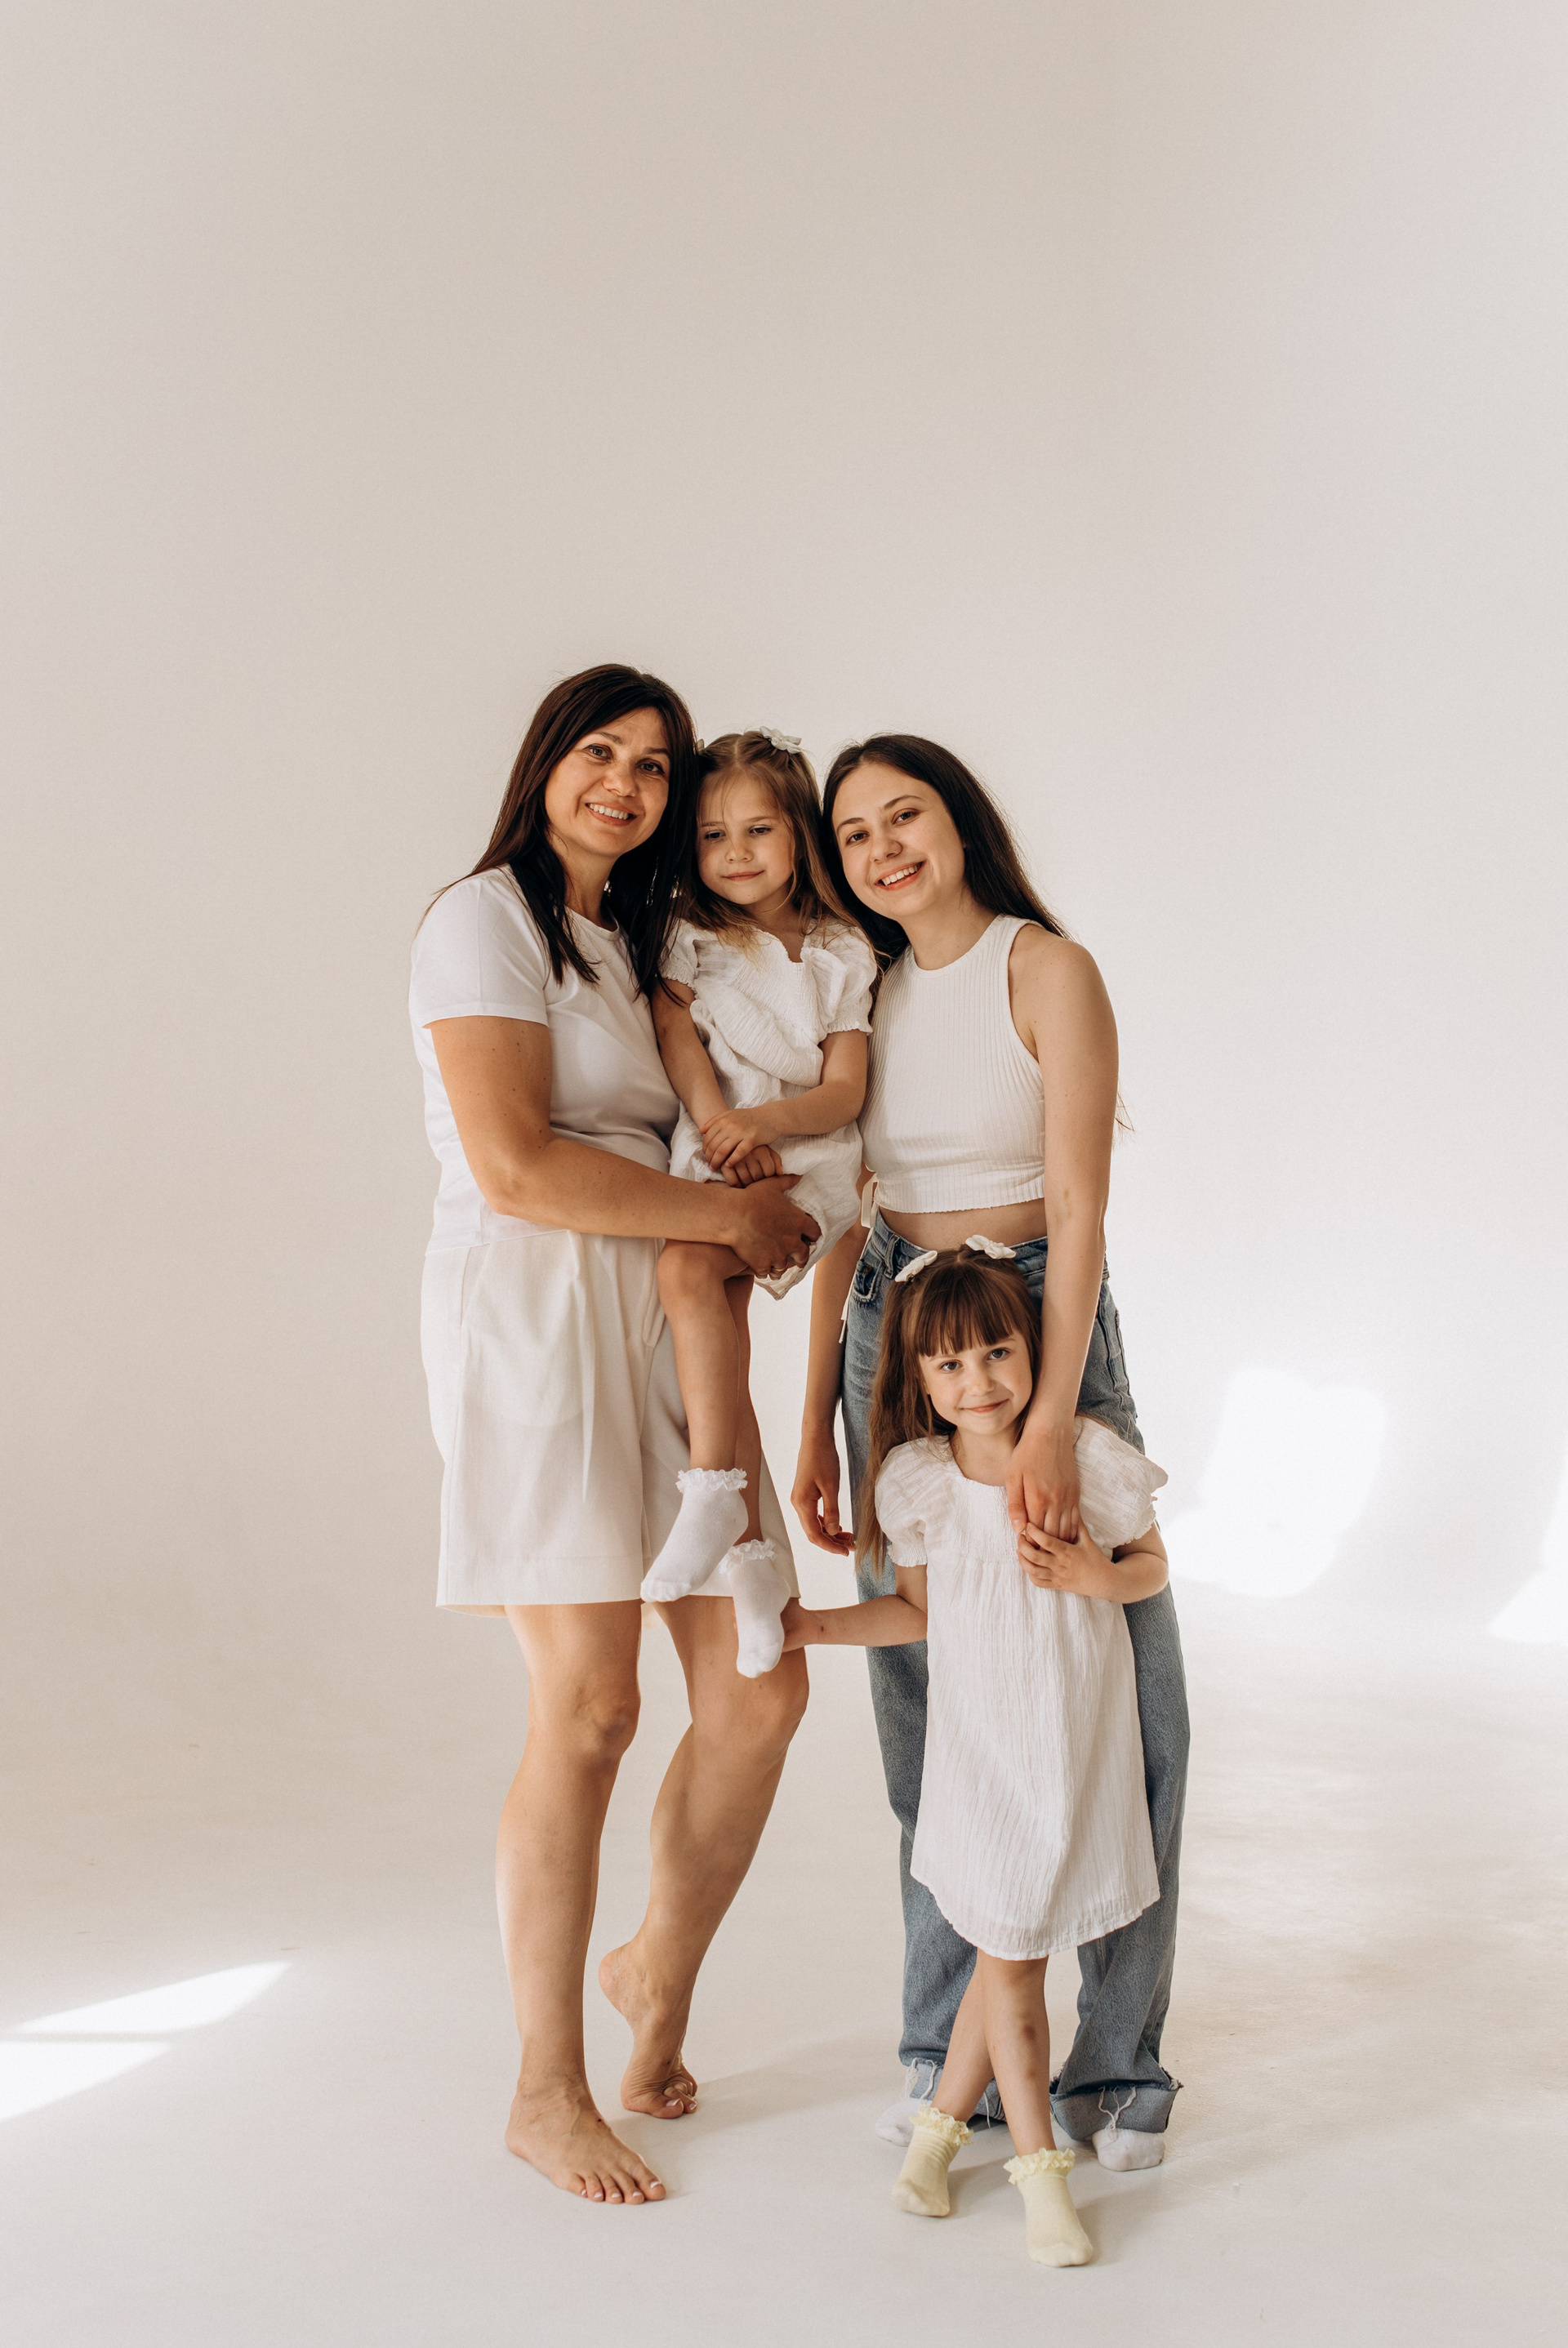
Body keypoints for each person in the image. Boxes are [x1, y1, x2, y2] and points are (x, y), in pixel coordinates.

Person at [411, 665, 821, 2208]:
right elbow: (517, 1165)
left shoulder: (639, 939)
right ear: (545, 763)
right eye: (602, 752)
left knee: (761, 1689)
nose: (627, 786)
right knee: (590, 1709)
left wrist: (760, 1207)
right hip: (534, 1311)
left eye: (654, 767)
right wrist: (723, 1218)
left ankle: (655, 1969)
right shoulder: (483, 920)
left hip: (662, 1300)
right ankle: (546, 2088)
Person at [791, 734, 1189, 2170]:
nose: (884, 847)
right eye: (855, 833)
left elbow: (1078, 1206)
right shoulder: (862, 989)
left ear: (959, 820)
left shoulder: (1045, 968)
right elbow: (851, 1217)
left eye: (906, 814)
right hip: (895, 1339)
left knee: (1128, 1695)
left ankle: (1116, 2064)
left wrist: (1053, 1416)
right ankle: (940, 2051)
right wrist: (817, 1417)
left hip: (1035, 1323)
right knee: (927, 1697)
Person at [783, 1245, 1169, 2266]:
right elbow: (911, 1613)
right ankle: (1041, 2174)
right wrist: (809, 1628)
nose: (979, 1381)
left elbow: (1150, 1567)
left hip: (1071, 1753)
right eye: (950, 1364)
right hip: (983, 1762)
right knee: (1013, 1962)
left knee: (1009, 1949)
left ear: (1034, 1349)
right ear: (919, 1378)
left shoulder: (1084, 1458)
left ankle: (933, 2146)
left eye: (998, 1351)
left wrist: (1094, 1575)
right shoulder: (920, 1482)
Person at [641, 731, 875, 1677]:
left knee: (685, 1271)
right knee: (714, 1333)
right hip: (717, 1151)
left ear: (798, 833)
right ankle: (752, 1570)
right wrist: (717, 1127)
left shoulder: (842, 950)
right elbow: (676, 1036)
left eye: (757, 829)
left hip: (809, 1158)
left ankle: (712, 1490)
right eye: (712, 835)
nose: (735, 852)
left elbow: (845, 1090)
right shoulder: (692, 935)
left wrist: (764, 1124)